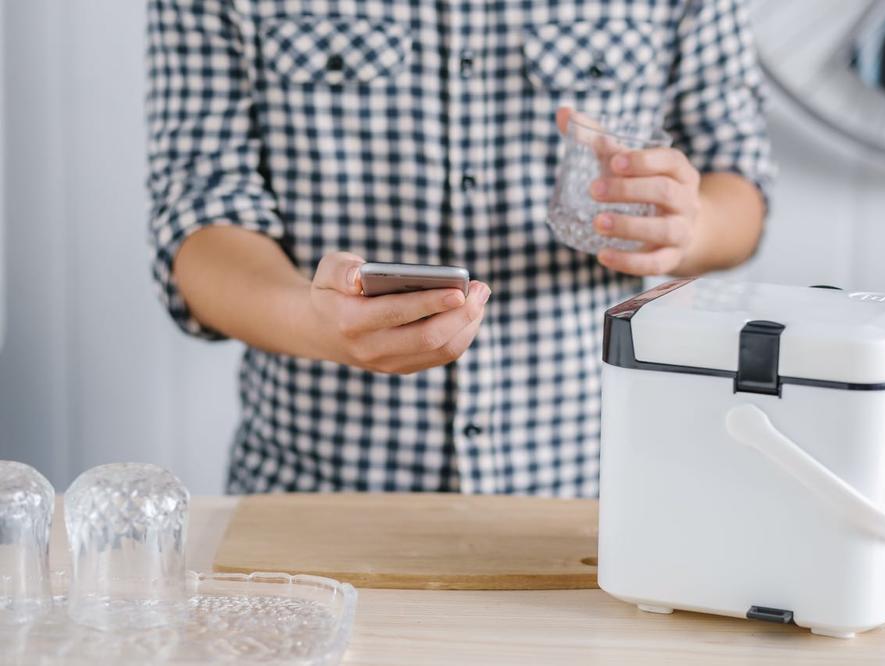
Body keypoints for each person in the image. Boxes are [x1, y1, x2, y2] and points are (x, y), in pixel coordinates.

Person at [146, 0, 773, 496]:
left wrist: (690, 226)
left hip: (595, 490)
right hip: (319, 489)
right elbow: (200, 212)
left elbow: (737, 179)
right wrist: (314, 323)